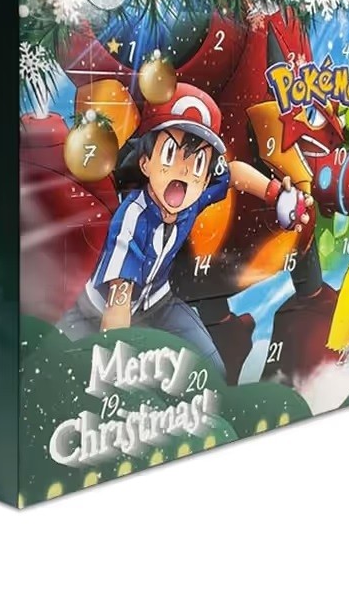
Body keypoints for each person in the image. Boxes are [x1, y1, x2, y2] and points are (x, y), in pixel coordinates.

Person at [58, 83, 312, 380]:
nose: (185, 171)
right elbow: (119, 300)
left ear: (205, 180)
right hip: (98, 312)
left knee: (211, 369)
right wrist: (114, 363)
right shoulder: (133, 218)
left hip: (160, 304)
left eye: (198, 163)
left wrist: (274, 193)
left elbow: (233, 172)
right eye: (170, 154)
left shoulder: (194, 197)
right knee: (75, 372)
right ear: (145, 163)